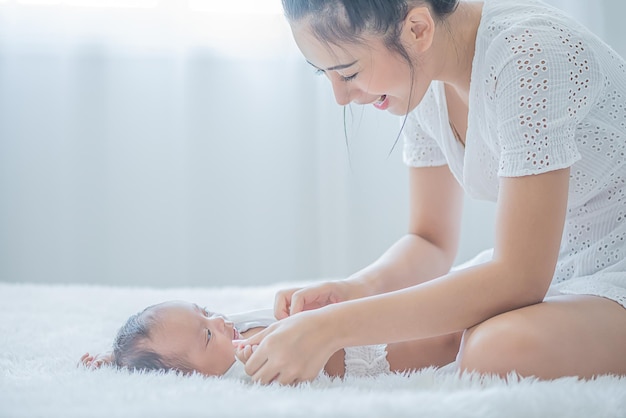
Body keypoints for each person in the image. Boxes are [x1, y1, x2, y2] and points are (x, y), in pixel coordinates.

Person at [233, 0, 626, 385]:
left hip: (584, 266)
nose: (340, 96)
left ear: (417, 29)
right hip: (560, 260)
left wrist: (331, 326)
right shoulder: (424, 78)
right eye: (326, 74)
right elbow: (430, 241)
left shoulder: (530, 56)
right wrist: (355, 290)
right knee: (425, 332)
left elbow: (519, 278)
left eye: (348, 72)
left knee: (495, 350)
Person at [79, 299, 462, 379]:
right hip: (373, 354)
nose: (219, 319)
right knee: (447, 339)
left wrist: (113, 359)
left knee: (439, 304)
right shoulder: (243, 366)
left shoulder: (230, 334)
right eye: (207, 333)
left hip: (357, 321)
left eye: (204, 309)